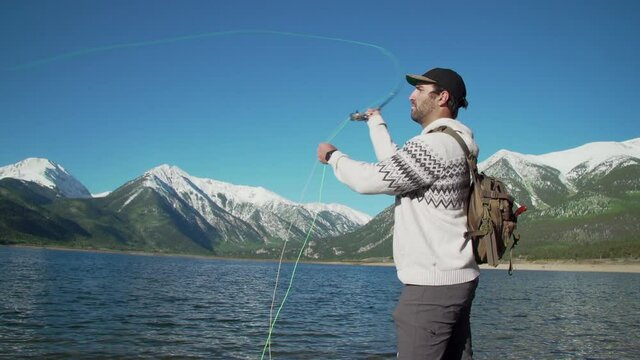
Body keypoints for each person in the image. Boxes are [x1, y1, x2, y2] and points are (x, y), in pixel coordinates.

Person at [317, 68, 480, 359]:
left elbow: (369, 179)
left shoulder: (436, 145)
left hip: (432, 286)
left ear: (442, 97)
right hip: (456, 279)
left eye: (420, 89)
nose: (411, 95)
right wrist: (376, 121)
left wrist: (333, 157)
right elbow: (396, 165)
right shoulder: (455, 142)